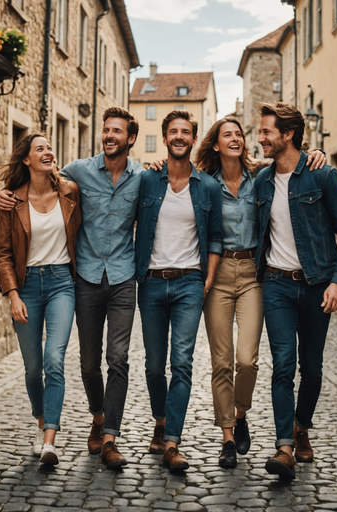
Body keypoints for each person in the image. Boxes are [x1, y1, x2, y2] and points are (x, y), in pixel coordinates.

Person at [153, 118, 326, 468]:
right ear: (215, 144)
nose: (234, 138)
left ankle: (241, 412)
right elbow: (175, 174)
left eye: (238, 134)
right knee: (221, 360)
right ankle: (228, 437)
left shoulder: (260, 177)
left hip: (253, 274)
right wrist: (158, 163)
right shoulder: (204, 183)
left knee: (247, 359)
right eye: (226, 135)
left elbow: (292, 166)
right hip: (215, 275)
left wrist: (315, 155)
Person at [0, 107, 143, 470]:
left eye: (117, 131)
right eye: (105, 129)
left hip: (84, 280)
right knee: (57, 367)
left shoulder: (122, 180)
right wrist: (13, 292)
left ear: (130, 139)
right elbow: (2, 250)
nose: (109, 135)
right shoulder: (59, 182)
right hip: (54, 283)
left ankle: (76, 438)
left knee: (78, 360)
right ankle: (68, 416)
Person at [254, 102, 337, 479]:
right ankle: (284, 446)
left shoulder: (323, 176)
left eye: (266, 131)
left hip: (317, 285)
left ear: (288, 135)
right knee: (282, 364)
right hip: (276, 285)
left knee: (311, 369)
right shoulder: (262, 181)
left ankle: (302, 427)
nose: (260, 137)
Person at [135, 110, 223, 472]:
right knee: (155, 366)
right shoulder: (147, 181)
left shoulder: (208, 187)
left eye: (185, 131)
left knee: (181, 364)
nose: (179, 137)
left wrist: (207, 279)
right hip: (152, 282)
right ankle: (160, 420)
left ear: (193, 138)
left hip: (190, 282)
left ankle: (172, 442)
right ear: (165, 136)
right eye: (173, 131)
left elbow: (216, 238)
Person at [0, 133, 81, 465]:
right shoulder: (12, 201)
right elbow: (1, 254)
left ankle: (49, 441)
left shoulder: (69, 191)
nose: (48, 151)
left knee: (54, 361)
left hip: (61, 283)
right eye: (39, 148)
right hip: (26, 286)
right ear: (27, 160)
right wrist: (13, 293)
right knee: (32, 370)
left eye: (49, 147)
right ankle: (41, 421)